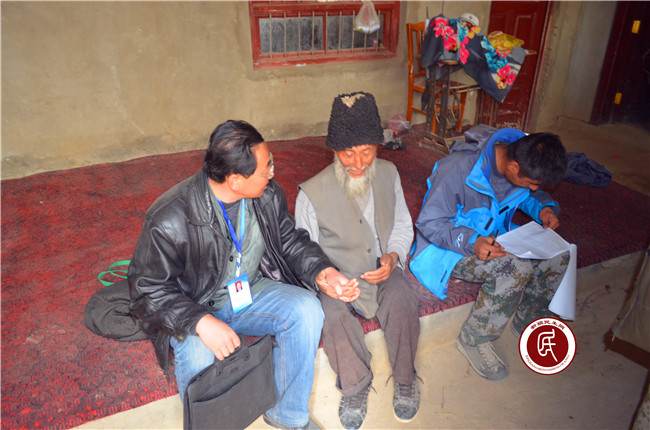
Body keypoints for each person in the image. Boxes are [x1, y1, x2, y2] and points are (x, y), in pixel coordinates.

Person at [128, 120, 358, 430]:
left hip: (248, 291)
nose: (272, 173)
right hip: (193, 305)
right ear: (235, 180)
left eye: (270, 163)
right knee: (198, 356)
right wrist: (200, 321)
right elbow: (146, 289)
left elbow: (289, 239)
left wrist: (323, 271)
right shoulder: (169, 217)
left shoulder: (266, 193)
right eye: (265, 169)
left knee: (306, 310)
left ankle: (288, 417)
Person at [295, 92, 421, 429]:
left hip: (382, 269)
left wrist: (393, 257)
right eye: (347, 153)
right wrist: (328, 278)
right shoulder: (311, 192)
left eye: (366, 152)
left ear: (378, 147)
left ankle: (405, 380)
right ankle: (355, 387)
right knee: (332, 316)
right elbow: (303, 250)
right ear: (334, 150)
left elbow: (402, 225)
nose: (358, 163)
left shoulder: (389, 174)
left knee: (403, 299)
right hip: (336, 277)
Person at [409, 124, 570, 381]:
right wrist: (472, 241)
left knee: (558, 253)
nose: (534, 188)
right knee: (514, 268)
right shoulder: (457, 170)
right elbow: (430, 223)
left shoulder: (522, 156)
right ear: (513, 167)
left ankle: (529, 318)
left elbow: (526, 193)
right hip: (448, 248)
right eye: (533, 183)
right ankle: (474, 338)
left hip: (494, 235)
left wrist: (544, 208)